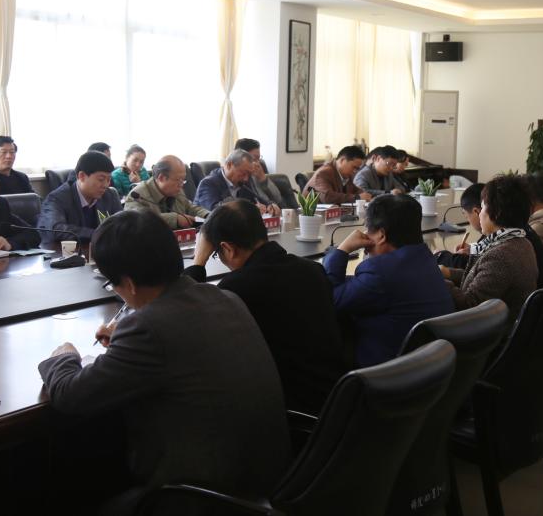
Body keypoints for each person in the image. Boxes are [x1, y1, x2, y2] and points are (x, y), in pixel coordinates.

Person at [38, 210, 290, 514]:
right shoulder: (225, 298)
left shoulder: (148, 329)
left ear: (129, 283)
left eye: (112, 283)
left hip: (199, 499)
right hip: (267, 485)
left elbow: (71, 395)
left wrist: (64, 357)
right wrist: (128, 338)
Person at [184, 200, 347, 414]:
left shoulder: (236, 289)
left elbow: (186, 325)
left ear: (228, 249)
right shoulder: (312, 270)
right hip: (338, 399)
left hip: (291, 411)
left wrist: (198, 262)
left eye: (217, 253)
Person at [323, 194, 453, 367]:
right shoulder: (426, 258)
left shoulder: (379, 272)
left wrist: (342, 249)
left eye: (368, 230)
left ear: (381, 235)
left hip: (385, 372)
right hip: (428, 369)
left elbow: (329, 299)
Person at [441, 174, 538, 324]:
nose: (480, 213)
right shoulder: (521, 241)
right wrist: (448, 273)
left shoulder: (501, 256)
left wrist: (437, 280)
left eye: (483, 206)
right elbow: (480, 277)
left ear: (496, 213)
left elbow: (469, 305)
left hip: (490, 333)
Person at [38, 151, 122, 246]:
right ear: (81, 176)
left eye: (109, 179)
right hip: (66, 253)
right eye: (101, 179)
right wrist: (99, 235)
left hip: (103, 252)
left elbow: (121, 226)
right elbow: (56, 229)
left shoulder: (110, 195)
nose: (106, 185)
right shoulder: (57, 198)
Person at [124, 156, 210, 229]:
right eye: (178, 180)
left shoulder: (176, 190)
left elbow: (189, 208)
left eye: (183, 180)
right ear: (161, 178)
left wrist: (208, 216)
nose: (181, 185)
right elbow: (137, 221)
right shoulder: (137, 196)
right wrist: (175, 219)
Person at [193, 149, 279, 214]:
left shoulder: (244, 181)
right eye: (243, 173)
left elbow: (258, 199)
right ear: (229, 165)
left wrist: (270, 205)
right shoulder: (208, 183)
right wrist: (249, 209)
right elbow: (215, 210)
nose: (246, 178)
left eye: (249, 174)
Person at [303, 145, 373, 204]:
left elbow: (357, 191)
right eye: (354, 167)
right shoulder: (324, 173)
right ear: (342, 160)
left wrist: (366, 196)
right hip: (314, 214)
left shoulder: (348, 174)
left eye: (357, 168)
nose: (355, 171)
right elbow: (327, 197)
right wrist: (357, 197)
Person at [234, 138, 286, 209]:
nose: (258, 163)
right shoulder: (235, 178)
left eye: (258, 159)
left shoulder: (256, 174)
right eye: (254, 159)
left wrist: (262, 178)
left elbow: (278, 199)